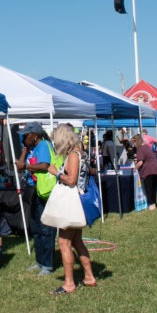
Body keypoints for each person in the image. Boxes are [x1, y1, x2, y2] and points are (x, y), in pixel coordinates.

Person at [45, 124, 97, 294]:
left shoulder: (73, 155)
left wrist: (56, 173)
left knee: (64, 242)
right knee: (77, 241)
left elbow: (72, 180)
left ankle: (69, 283)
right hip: (77, 202)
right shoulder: (80, 153)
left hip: (71, 203)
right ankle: (89, 277)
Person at [15, 121, 57, 276]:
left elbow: (45, 165)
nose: (23, 138)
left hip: (44, 191)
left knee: (46, 228)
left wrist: (26, 167)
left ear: (35, 135)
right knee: (36, 228)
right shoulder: (32, 148)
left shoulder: (44, 145)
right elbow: (19, 164)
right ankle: (40, 261)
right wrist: (25, 150)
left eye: (26, 135)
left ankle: (48, 264)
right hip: (33, 190)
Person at [133, 134, 157, 211]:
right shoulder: (147, 147)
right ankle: (154, 203)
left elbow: (140, 162)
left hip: (149, 171)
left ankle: (151, 205)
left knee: (148, 188)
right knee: (153, 188)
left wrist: (135, 168)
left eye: (134, 142)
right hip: (156, 169)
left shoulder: (140, 148)